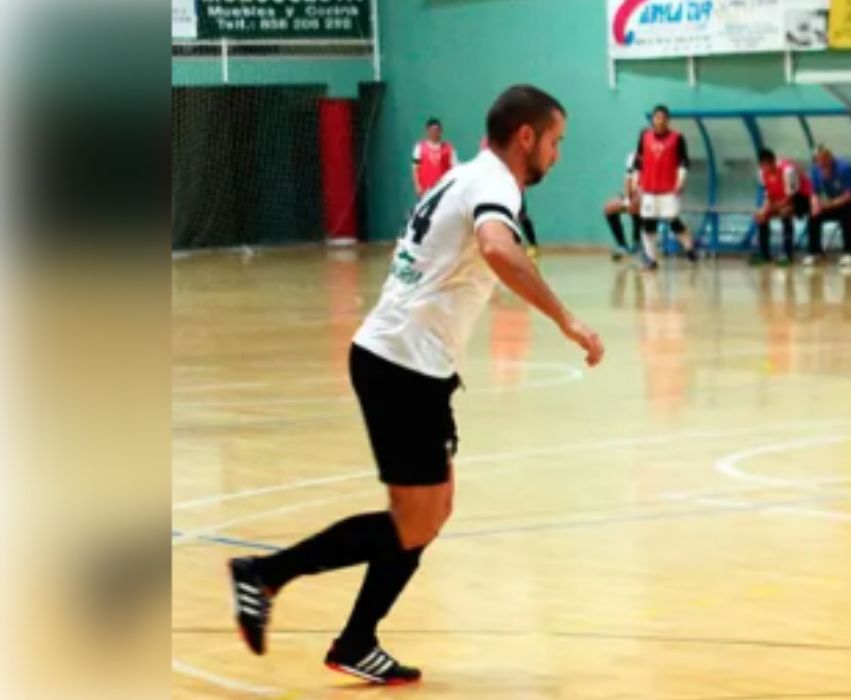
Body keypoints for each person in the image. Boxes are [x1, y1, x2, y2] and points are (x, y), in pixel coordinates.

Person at [227, 85, 604, 685]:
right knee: (416, 519)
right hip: (401, 365)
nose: (558, 155)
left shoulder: (466, 173)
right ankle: (266, 575)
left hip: (412, 365)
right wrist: (567, 318)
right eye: (555, 142)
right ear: (526, 137)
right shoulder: (495, 183)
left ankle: (355, 639)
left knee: (432, 510)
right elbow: (497, 247)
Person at [634, 105, 697, 270]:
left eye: (663, 118)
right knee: (648, 224)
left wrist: (681, 179)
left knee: (673, 221)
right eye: (656, 118)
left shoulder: (677, 138)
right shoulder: (644, 136)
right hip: (649, 189)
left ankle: (689, 247)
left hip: (669, 189)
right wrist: (636, 181)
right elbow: (639, 160)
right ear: (653, 120)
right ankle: (651, 259)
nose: (659, 121)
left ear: (668, 120)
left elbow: (684, 161)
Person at [807, 145, 851, 268]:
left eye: (824, 160)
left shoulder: (845, 168)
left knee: (846, 215)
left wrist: (827, 205)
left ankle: (849, 251)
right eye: (818, 161)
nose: (821, 164)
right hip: (835, 202)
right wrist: (815, 205)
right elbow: (814, 193)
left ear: (830, 158)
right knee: (814, 216)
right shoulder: (815, 170)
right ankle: (815, 252)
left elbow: (849, 196)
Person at [753, 148, 812, 265]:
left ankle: (787, 253)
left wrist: (773, 208)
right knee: (761, 217)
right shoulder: (762, 173)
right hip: (780, 200)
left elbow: (791, 197)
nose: (765, 169)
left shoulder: (788, 171)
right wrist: (764, 210)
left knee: (786, 212)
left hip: (801, 198)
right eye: (762, 166)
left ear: (774, 162)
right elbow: (768, 195)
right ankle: (765, 255)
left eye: (767, 165)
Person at [602, 152, 642, 261]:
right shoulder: (633, 157)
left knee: (636, 204)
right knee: (608, 207)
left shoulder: (653, 158)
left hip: (650, 197)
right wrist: (628, 198)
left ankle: (637, 243)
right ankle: (622, 245)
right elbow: (628, 179)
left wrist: (636, 197)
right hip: (633, 196)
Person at [411, 118, 458, 197]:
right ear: (427, 131)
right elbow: (415, 168)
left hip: (444, 190)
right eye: (432, 130)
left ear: (441, 131)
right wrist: (417, 185)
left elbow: (455, 168)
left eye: (437, 130)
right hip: (425, 191)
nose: (435, 133)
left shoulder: (449, 148)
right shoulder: (418, 147)